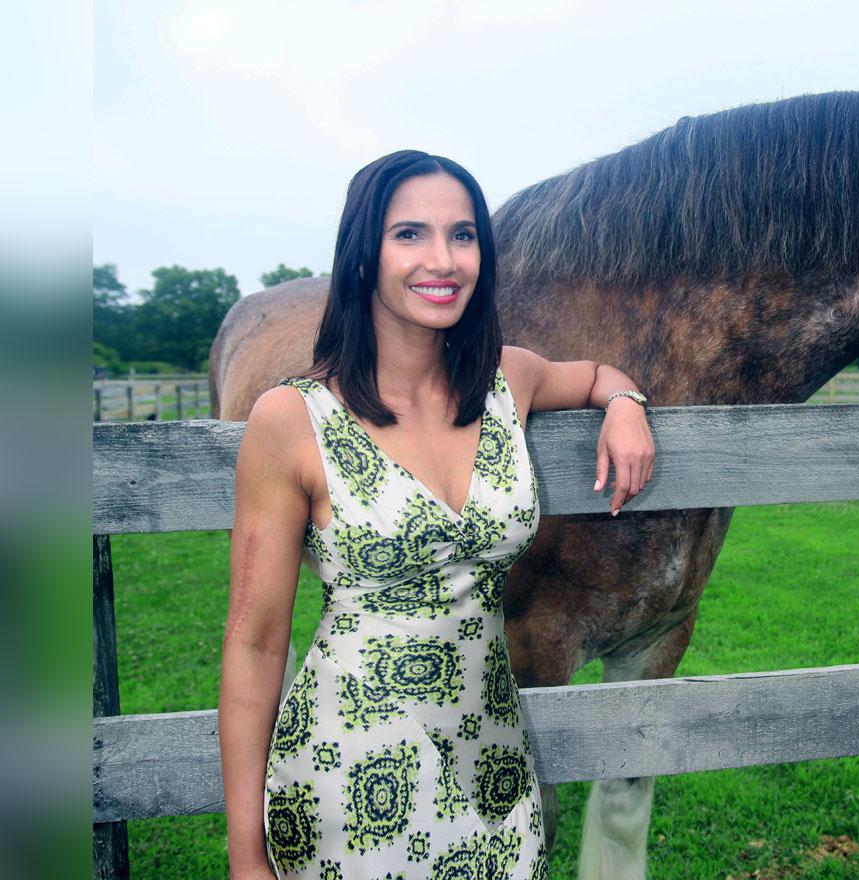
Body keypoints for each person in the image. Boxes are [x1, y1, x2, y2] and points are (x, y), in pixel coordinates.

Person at [219, 150, 654, 879]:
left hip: (491, 773)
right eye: (411, 235)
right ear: (364, 254)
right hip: (348, 783)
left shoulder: (507, 379)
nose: (443, 259)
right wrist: (244, 858)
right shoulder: (291, 419)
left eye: (463, 235)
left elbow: (596, 375)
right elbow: (255, 646)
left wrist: (625, 405)